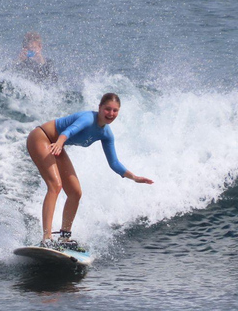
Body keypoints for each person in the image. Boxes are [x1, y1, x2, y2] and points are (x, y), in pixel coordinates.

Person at [26, 93, 153, 248]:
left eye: (115, 111)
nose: (111, 114)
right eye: (107, 109)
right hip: (42, 137)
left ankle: (64, 238)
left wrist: (134, 177)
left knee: (75, 192)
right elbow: (69, 131)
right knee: (55, 185)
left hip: (56, 144)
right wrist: (60, 142)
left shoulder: (106, 134)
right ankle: (46, 238)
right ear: (99, 108)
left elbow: (114, 163)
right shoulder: (88, 118)